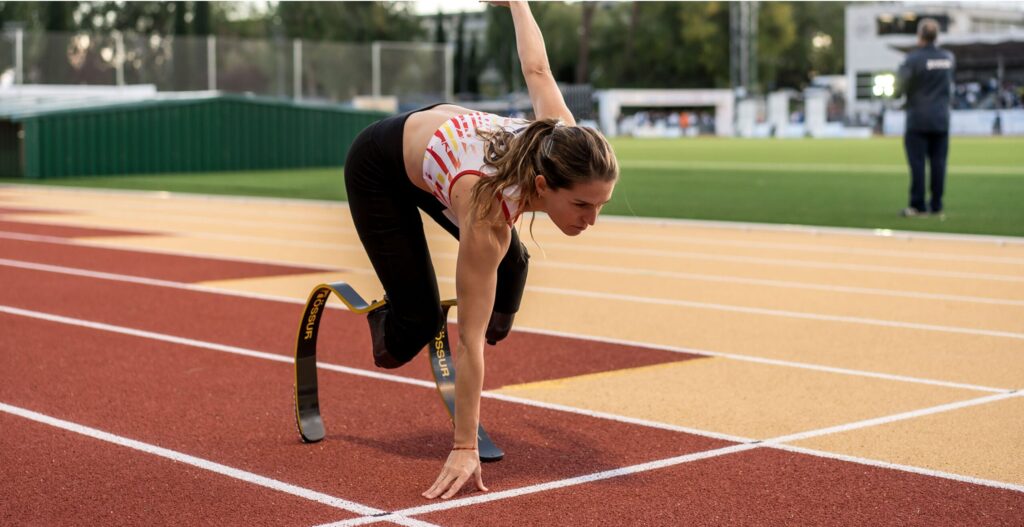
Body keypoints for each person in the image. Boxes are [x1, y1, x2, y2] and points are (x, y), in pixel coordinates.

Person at [342, 1, 619, 500]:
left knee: (513, 264)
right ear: (542, 186)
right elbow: (466, 341)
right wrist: (463, 445)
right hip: (380, 167)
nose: (591, 220)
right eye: (582, 205)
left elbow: (537, 69)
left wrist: (518, 3)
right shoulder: (489, 212)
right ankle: (395, 315)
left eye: (601, 205)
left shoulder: (563, 135)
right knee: (420, 324)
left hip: (440, 153)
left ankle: (469, 305)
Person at [894, 18, 955, 219]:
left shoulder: (913, 59)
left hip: (918, 119)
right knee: (939, 163)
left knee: (918, 164)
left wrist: (898, 95)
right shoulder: (948, 58)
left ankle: (918, 206)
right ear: (936, 36)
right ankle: (936, 206)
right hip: (941, 119)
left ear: (920, 35)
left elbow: (899, 87)